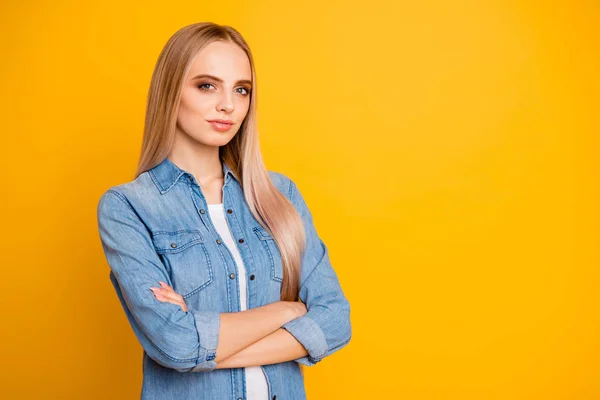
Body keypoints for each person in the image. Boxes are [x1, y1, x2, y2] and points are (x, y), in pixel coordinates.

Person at [96, 22, 351, 400]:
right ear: (171, 91)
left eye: (242, 90)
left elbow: (334, 320)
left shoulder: (280, 195)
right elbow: (174, 342)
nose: (228, 105)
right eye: (206, 86)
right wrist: (288, 311)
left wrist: (204, 349)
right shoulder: (128, 207)